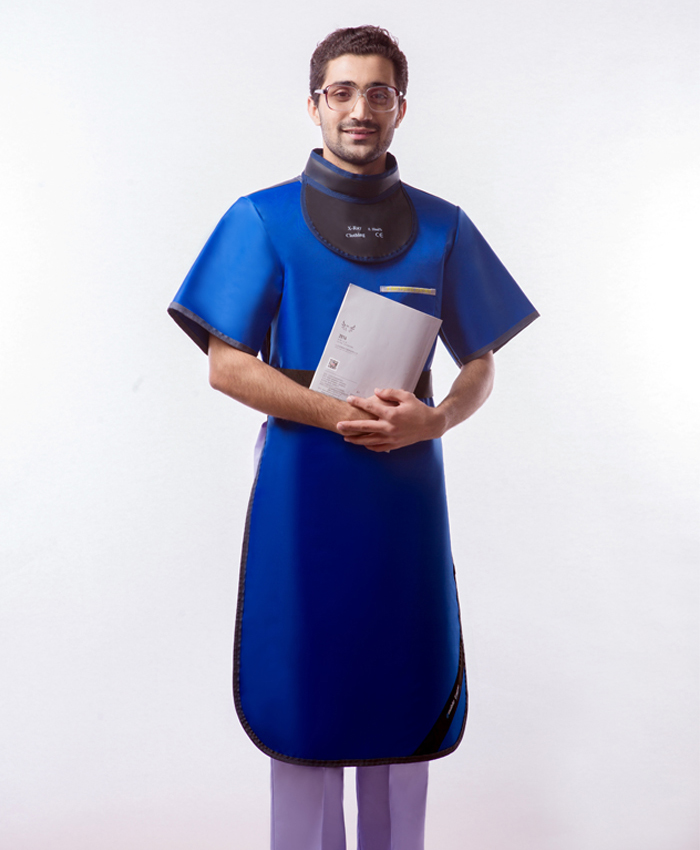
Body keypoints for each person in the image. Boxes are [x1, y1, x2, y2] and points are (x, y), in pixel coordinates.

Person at [169, 25, 538, 850]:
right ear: (314, 105)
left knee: (402, 687)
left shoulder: (443, 228)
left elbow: (480, 362)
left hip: (407, 499)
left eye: (378, 92)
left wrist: (437, 419)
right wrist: (337, 415)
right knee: (307, 694)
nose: (359, 109)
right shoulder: (261, 219)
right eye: (341, 92)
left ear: (401, 107)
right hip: (304, 493)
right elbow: (227, 366)